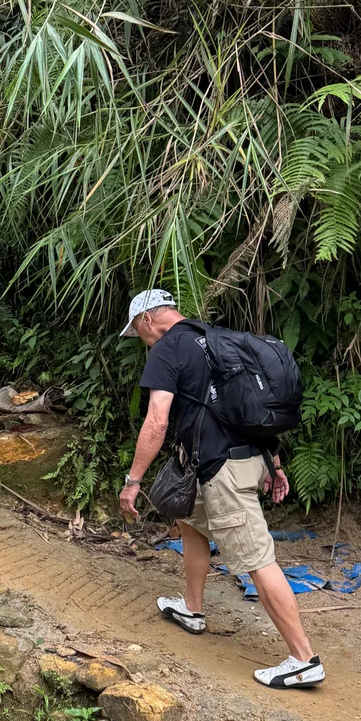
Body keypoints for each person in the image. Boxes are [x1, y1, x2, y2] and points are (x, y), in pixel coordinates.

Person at [118, 289, 324, 690]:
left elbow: (157, 420)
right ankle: (192, 609)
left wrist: (133, 480)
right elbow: (243, 408)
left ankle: (303, 659)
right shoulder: (213, 339)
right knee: (189, 519)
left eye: (137, 332)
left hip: (223, 472)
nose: (140, 340)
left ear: (146, 320)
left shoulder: (166, 347)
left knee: (257, 559)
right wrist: (274, 463)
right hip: (244, 459)